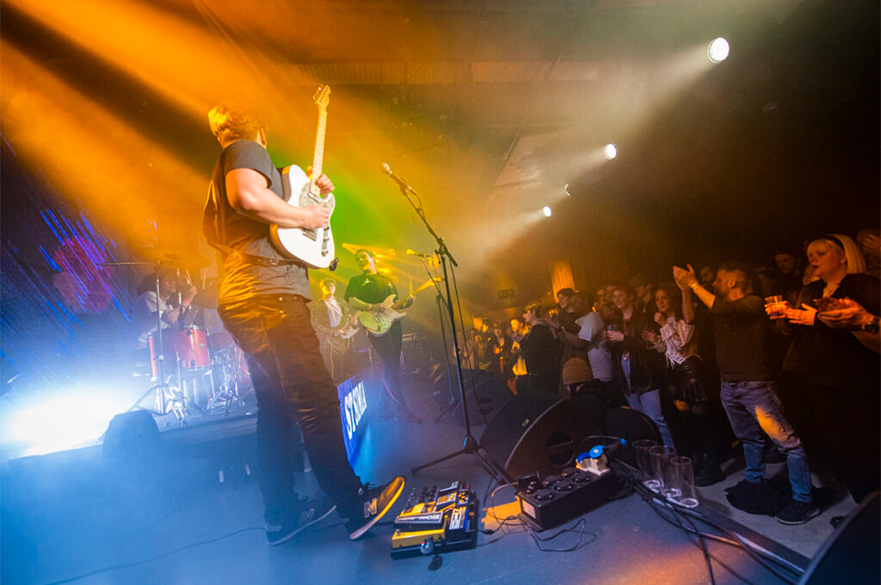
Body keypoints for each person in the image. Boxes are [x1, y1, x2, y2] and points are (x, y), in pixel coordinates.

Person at [202, 102, 404, 545]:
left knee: (275, 411)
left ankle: (282, 515)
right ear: (259, 128)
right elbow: (248, 197)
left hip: (244, 297)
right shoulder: (245, 148)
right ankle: (355, 505)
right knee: (314, 397)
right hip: (269, 297)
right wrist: (309, 216)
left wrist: (314, 199)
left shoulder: (243, 164)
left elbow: (268, 212)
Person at [674, 262, 817, 525]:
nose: (713, 283)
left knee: (789, 443)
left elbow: (724, 308)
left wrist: (694, 284)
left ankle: (803, 500)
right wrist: (685, 290)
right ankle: (754, 481)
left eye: (718, 278)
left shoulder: (753, 303)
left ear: (732, 282)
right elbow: (689, 318)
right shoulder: (720, 307)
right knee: (748, 438)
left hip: (755, 385)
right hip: (729, 384)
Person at [773, 234, 879, 511]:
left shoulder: (865, 286)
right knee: (843, 452)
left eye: (820, 253)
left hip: (859, 384)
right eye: (810, 254)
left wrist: (819, 319)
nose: (812, 258)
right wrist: (785, 319)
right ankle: (864, 515)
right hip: (820, 381)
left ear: (844, 255)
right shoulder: (812, 291)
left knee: (871, 451)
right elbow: (797, 331)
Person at [647, 282, 725, 486]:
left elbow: (681, 345)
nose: (660, 301)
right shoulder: (664, 321)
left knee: (703, 420)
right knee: (687, 420)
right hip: (674, 374)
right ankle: (698, 458)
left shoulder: (685, 316)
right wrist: (656, 341)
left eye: (664, 297)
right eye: (657, 299)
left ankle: (714, 464)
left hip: (691, 371)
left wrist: (664, 325)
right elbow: (667, 350)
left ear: (673, 298)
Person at [344, 248, 421, 424]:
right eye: (357, 258)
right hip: (375, 326)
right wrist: (371, 307)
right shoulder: (356, 280)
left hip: (393, 326)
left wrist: (407, 303)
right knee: (390, 366)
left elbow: (394, 305)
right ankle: (402, 412)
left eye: (363, 256)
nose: (360, 259)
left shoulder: (387, 281)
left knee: (391, 367)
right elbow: (351, 301)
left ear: (372, 258)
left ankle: (382, 410)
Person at [603, 286, 674, 447]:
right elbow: (617, 349)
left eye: (620, 295)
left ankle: (670, 456)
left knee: (656, 419)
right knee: (640, 420)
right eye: (614, 297)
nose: (617, 299)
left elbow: (648, 346)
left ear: (630, 296)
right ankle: (652, 457)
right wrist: (609, 341)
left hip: (644, 372)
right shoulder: (616, 321)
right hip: (625, 369)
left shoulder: (642, 318)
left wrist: (623, 338)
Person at [308, 278, 356, 381]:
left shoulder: (341, 302)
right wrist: (333, 332)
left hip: (345, 338)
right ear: (322, 288)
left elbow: (347, 315)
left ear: (335, 288)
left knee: (349, 366)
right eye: (326, 286)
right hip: (329, 341)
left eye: (332, 286)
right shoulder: (317, 305)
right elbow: (314, 324)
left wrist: (352, 321)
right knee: (334, 367)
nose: (329, 288)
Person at [518, 301, 562, 394]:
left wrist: (521, 341)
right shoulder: (541, 327)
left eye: (526, 312)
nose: (523, 316)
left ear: (533, 312)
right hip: (546, 372)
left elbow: (532, 351)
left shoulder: (538, 329)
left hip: (542, 374)